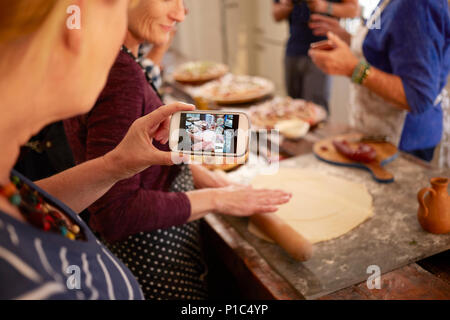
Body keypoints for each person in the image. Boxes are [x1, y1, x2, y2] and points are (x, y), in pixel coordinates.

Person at [0, 0, 291, 300]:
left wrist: (117, 165)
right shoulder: (28, 282)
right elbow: (116, 212)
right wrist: (218, 198)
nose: (179, 14)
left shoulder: (13, 191)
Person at [308, 0, 450, 163]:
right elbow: (386, 41)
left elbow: (417, 96)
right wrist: (349, 39)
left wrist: (354, 69)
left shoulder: (417, 4)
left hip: (404, 141)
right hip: (380, 134)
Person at [272, 0, 360, 111]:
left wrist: (324, 6)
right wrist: (288, 4)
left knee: (316, 110)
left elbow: (354, 10)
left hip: (322, 52)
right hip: (292, 51)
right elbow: (276, 14)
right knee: (292, 109)